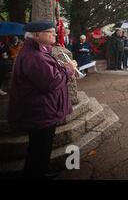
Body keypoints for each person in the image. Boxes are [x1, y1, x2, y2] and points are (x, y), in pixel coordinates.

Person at [7, 20, 77, 179]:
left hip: (41, 109)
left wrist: (64, 68)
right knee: (40, 149)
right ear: (37, 35)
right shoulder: (35, 56)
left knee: (40, 149)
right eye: (50, 31)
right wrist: (69, 68)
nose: (54, 34)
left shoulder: (37, 52)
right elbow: (51, 82)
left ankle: (39, 172)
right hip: (40, 111)